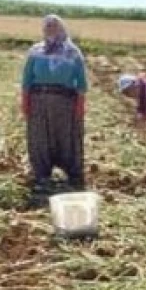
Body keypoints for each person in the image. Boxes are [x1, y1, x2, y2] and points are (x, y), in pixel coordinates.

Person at [20, 14, 88, 194]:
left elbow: (81, 83)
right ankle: (41, 174)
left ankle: (73, 175)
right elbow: (26, 80)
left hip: (65, 101)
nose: (50, 29)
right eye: (47, 26)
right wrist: (25, 102)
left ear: (62, 28)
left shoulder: (73, 52)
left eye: (54, 25)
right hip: (38, 100)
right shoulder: (36, 51)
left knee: (66, 137)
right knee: (39, 136)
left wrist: (80, 105)